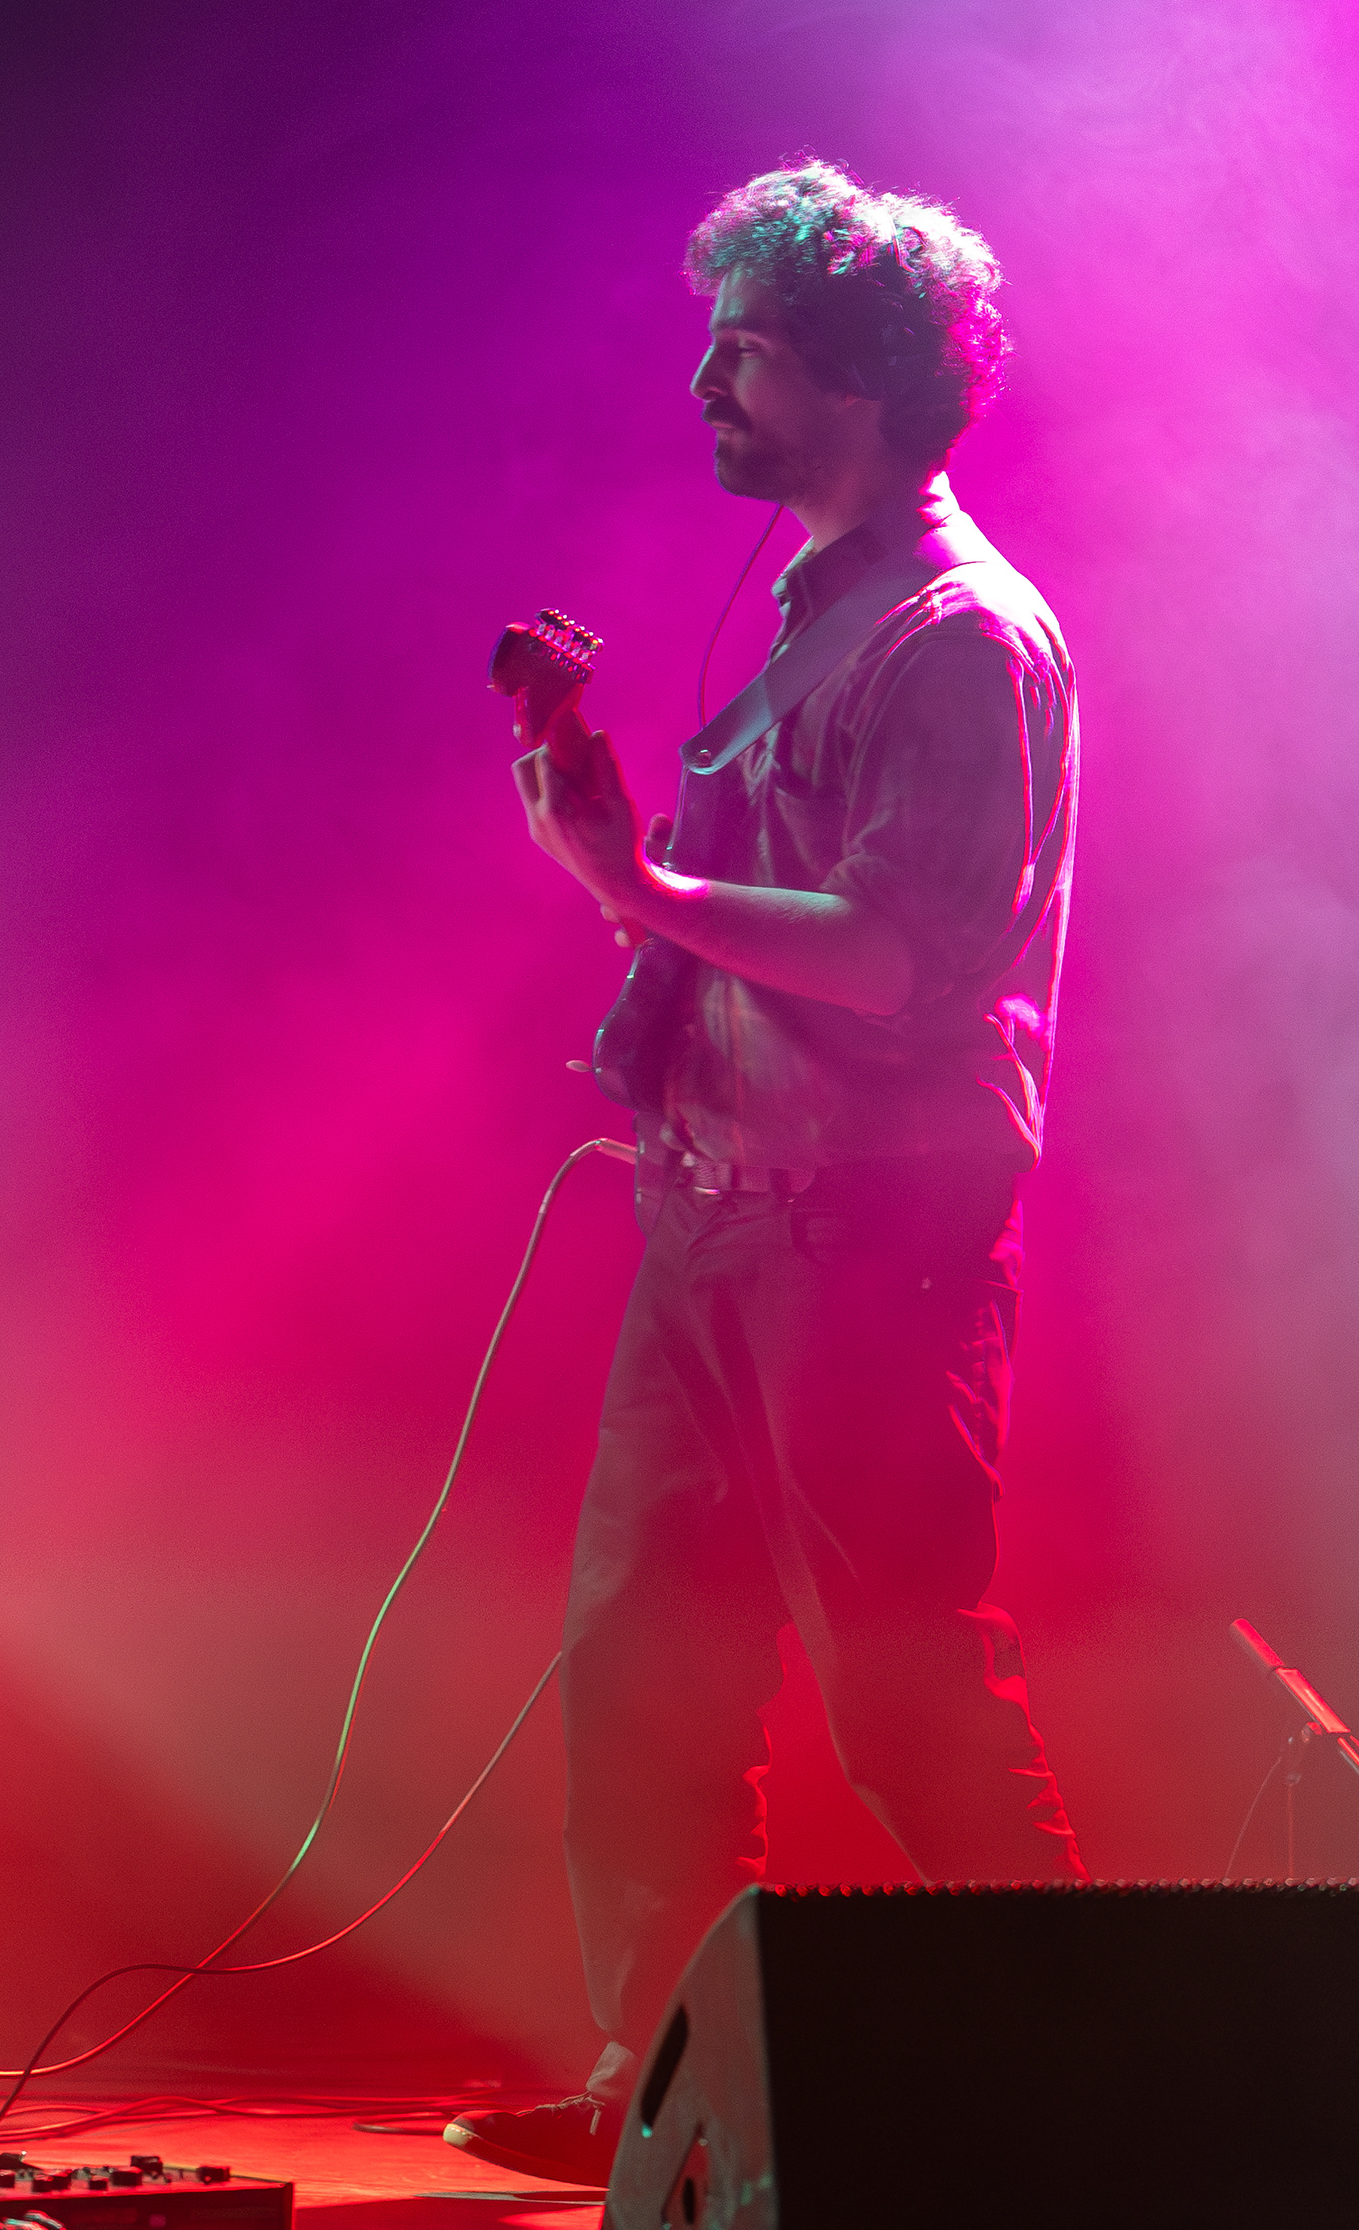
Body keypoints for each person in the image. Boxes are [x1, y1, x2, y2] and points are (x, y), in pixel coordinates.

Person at [447, 160, 1085, 2188]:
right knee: (647, 1673)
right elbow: (756, 917)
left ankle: (1109, 2084)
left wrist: (635, 886)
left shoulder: (958, 639)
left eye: (749, 350)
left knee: (905, 1703)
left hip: (867, 1236)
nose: (704, 380)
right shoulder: (822, 613)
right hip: (719, 1211)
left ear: (866, 381)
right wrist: (619, 844)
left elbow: (901, 958)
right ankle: (670, 2104)